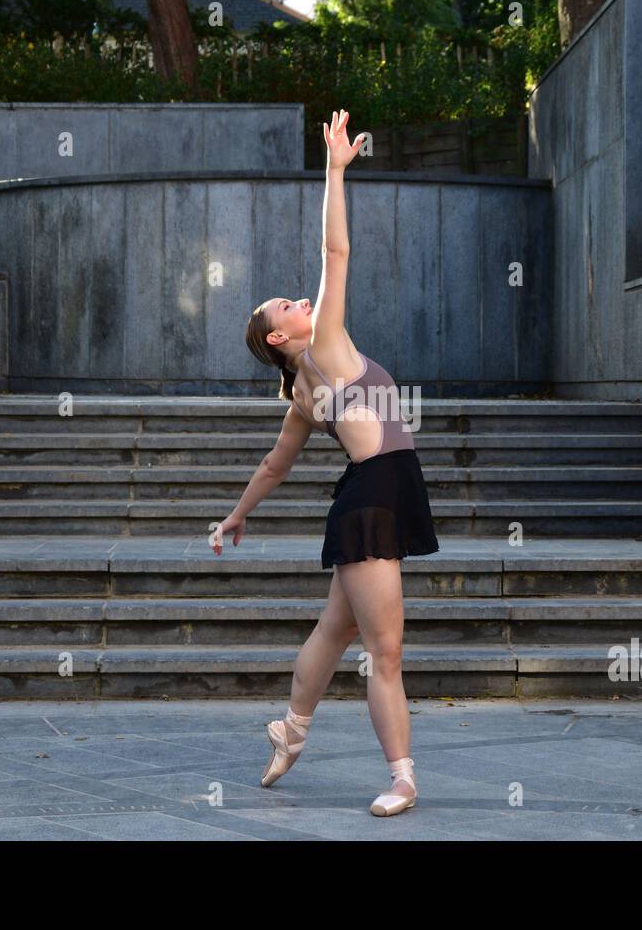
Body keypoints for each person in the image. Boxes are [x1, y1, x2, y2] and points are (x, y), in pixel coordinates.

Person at [209, 109, 439, 817]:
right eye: (288, 303)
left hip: (379, 492)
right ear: (282, 334)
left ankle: (291, 727)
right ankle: (402, 777)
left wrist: (237, 515)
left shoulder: (306, 391)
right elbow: (336, 255)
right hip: (373, 496)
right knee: (386, 648)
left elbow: (276, 465)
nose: (301, 297)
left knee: (336, 628)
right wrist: (335, 172)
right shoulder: (324, 347)